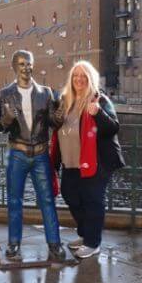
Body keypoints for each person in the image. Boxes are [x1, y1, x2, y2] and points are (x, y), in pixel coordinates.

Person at [50, 60, 125, 258]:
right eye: (76, 76)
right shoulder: (66, 101)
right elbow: (57, 128)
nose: (79, 79)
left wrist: (98, 114)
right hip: (71, 161)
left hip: (96, 162)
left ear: (90, 79)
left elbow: (113, 128)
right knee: (70, 195)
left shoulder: (99, 101)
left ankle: (93, 242)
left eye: (84, 76)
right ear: (71, 79)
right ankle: (86, 234)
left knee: (93, 201)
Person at [0, 50, 66, 261]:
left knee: (47, 200)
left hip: (40, 154)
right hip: (17, 153)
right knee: (14, 201)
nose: (26, 68)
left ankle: (54, 244)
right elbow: (0, 127)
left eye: (28, 63)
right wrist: (8, 119)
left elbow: (53, 124)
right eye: (21, 64)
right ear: (14, 66)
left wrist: (59, 117)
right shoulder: (5, 94)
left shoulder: (45, 93)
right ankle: (14, 244)